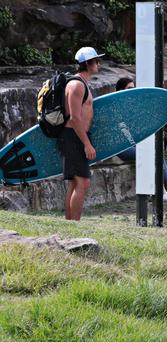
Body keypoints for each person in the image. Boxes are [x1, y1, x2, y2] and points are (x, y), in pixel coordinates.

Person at [114, 77, 167, 201]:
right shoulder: (115, 107)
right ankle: (161, 191)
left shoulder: (132, 107)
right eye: (129, 88)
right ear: (119, 90)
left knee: (156, 152)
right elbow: (121, 132)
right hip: (120, 147)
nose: (132, 91)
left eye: (133, 88)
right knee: (150, 154)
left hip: (132, 143)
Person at [59, 47, 100, 220]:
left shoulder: (82, 83)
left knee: (76, 182)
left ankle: (70, 223)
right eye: (96, 61)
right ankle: (74, 224)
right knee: (82, 182)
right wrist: (86, 143)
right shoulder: (76, 85)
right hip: (74, 136)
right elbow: (74, 118)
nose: (99, 64)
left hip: (77, 136)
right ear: (87, 63)